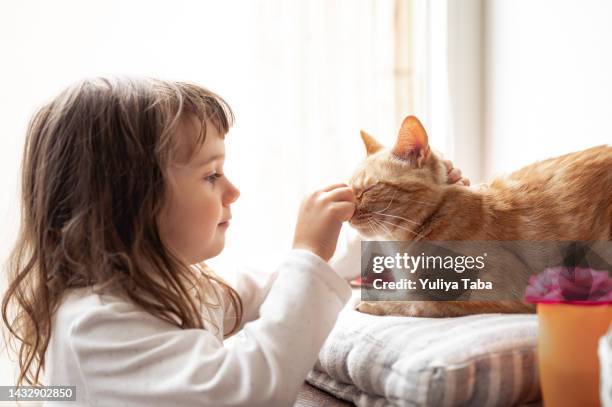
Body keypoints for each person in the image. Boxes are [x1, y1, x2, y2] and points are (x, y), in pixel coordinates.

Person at [2, 76, 467, 406]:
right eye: (212, 175)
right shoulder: (97, 327)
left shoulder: (163, 287)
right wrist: (309, 255)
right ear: (131, 202)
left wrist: (405, 225)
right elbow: (251, 390)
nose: (233, 190)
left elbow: (261, 290)